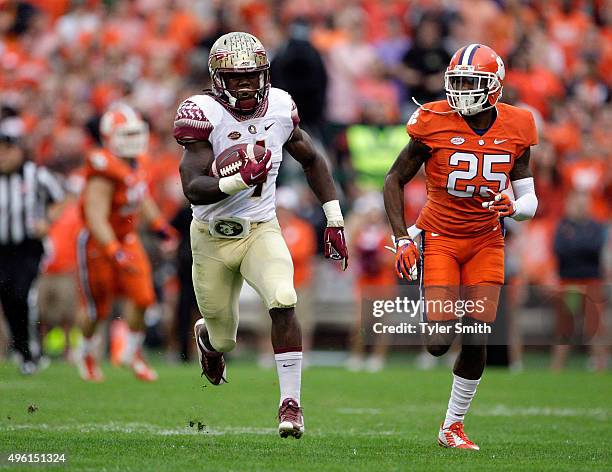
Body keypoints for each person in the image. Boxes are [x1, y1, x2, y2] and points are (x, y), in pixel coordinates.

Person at [174, 32, 348, 439]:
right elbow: (192, 187)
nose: (246, 84)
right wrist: (236, 181)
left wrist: (334, 219)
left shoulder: (282, 107)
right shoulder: (203, 113)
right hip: (212, 237)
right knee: (224, 337)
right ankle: (209, 341)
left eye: (252, 75)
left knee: (284, 299)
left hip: (260, 229)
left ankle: (291, 404)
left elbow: (312, 159)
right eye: (236, 78)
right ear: (218, 79)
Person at [383, 44, 538, 450]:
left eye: (472, 83)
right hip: (440, 239)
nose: (461, 91)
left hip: (487, 239)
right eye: (457, 82)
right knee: (438, 343)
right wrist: (402, 237)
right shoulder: (433, 120)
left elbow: (530, 200)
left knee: (477, 333)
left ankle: (452, 426)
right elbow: (394, 178)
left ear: (494, 88)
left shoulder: (518, 125)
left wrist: (514, 207)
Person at [76, 102, 177, 382]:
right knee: (98, 308)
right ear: (109, 137)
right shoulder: (103, 167)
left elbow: (140, 195)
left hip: (127, 237)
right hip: (99, 243)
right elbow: (96, 217)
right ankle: (85, 354)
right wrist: (112, 250)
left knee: (144, 297)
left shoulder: (138, 162)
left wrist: (159, 226)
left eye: (136, 134)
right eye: (126, 135)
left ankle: (132, 353)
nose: (133, 141)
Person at [0, 131, 64, 374]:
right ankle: (22, 349)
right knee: (8, 299)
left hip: (27, 247)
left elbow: (62, 198)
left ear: (18, 151)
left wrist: (47, 221)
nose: (3, 156)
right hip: (2, 249)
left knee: (22, 294)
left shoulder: (36, 175)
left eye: (7, 150)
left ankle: (31, 351)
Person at [552, 189, 608, 371]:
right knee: (564, 326)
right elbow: (560, 250)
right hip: (568, 282)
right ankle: (557, 368)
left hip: (591, 282)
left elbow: (593, 248)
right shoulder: (563, 226)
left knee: (594, 325)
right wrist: (579, 246)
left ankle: (600, 366)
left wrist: (576, 245)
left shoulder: (596, 227)